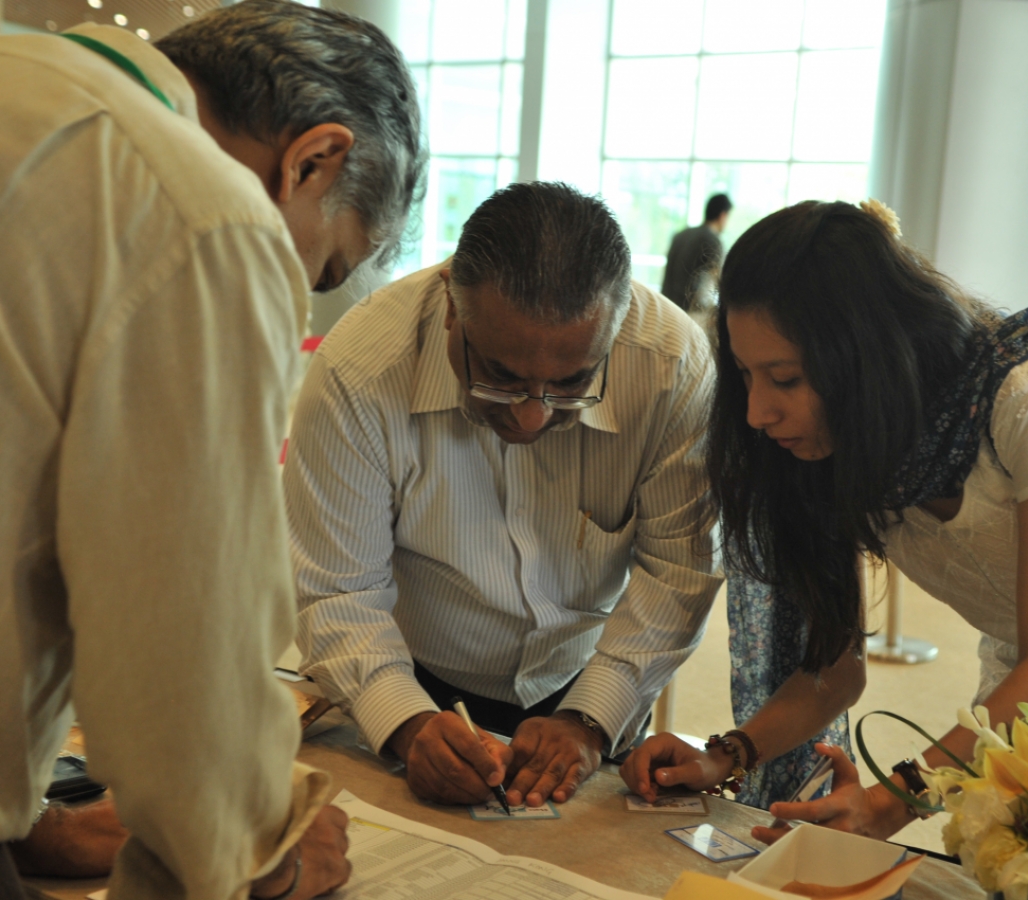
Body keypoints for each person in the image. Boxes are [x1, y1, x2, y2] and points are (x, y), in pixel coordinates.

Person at [0, 2, 424, 897]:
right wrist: (262, 860)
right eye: (319, 269)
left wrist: (41, 831)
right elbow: (181, 651)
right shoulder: (201, 207)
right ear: (312, 160)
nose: (296, 293)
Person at [623, 198, 1028, 844]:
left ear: (867, 357)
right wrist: (727, 754)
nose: (756, 412)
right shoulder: (837, 450)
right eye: (746, 376)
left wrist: (892, 801)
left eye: (786, 379)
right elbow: (833, 672)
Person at [284, 181, 721, 812]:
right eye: (501, 377)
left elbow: (677, 572)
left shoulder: (671, 366)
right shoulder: (359, 371)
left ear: (616, 328)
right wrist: (407, 724)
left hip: (595, 673)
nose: (531, 419)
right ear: (452, 310)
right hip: (408, 670)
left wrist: (592, 720)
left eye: (572, 383)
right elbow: (336, 589)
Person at [661, 193, 733, 313]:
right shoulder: (713, 241)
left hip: (666, 306)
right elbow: (715, 281)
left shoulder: (681, 234)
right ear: (723, 215)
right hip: (689, 312)